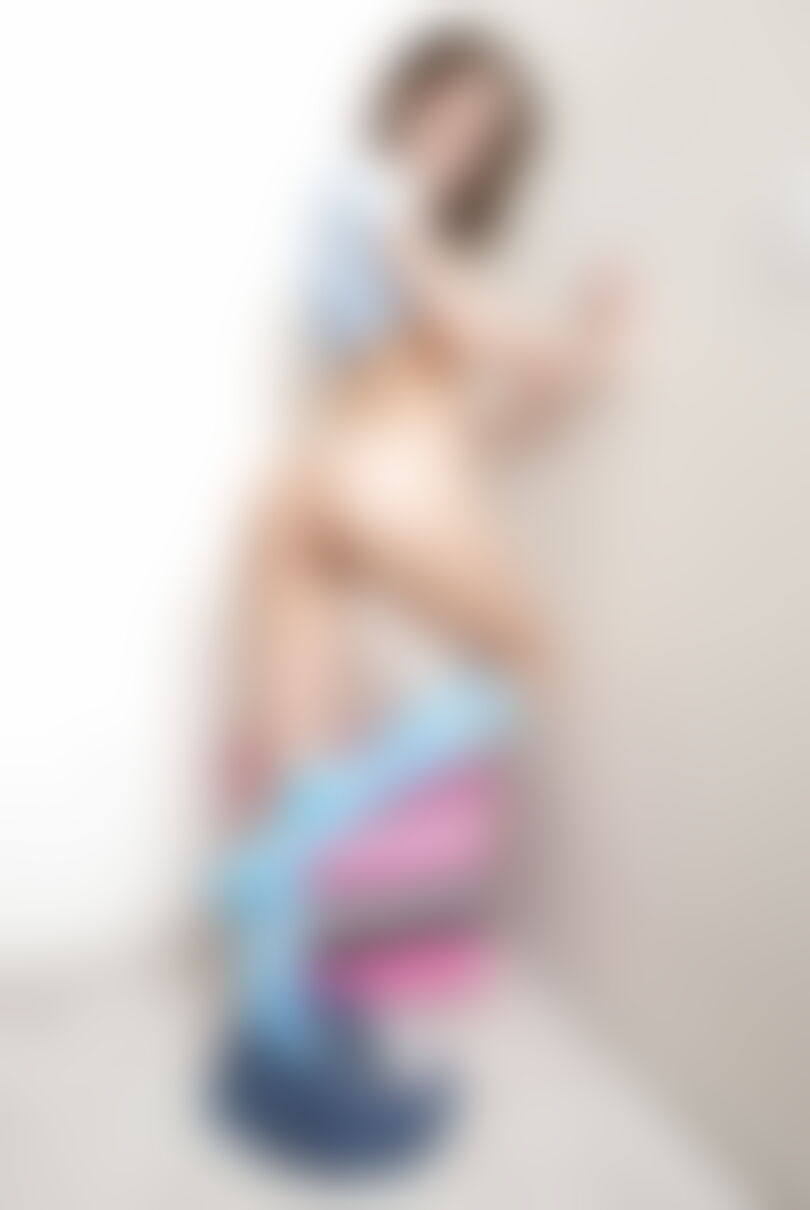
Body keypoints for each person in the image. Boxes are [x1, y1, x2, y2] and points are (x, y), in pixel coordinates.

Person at [213, 25, 630, 1164]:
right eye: (446, 101)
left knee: (300, 775)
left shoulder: (370, 219)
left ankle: (277, 1037)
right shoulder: (377, 194)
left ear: (499, 154)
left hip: (307, 493)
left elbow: (483, 430)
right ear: (404, 99)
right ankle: (267, 870)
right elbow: (461, 324)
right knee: (530, 666)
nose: (456, 131)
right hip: (376, 474)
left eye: (483, 126)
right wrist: (580, 351)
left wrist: (561, 365)